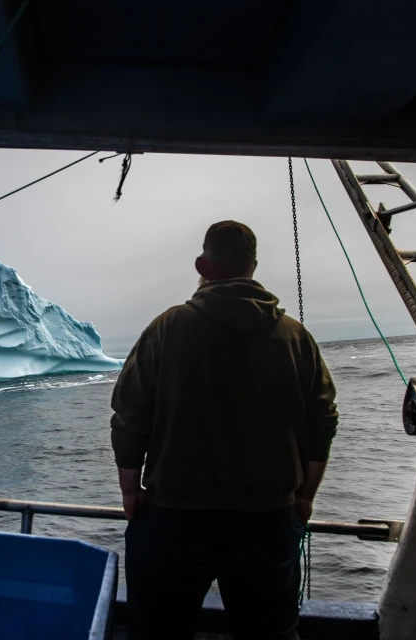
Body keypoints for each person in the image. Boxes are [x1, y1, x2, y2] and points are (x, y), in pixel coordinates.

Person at [110, 220, 338, 640]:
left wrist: (130, 492)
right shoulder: (295, 337)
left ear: (203, 264)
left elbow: (129, 417)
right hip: (267, 521)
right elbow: (322, 419)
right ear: (252, 267)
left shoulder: (166, 327)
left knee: (157, 632)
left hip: (174, 520)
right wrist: (304, 496)